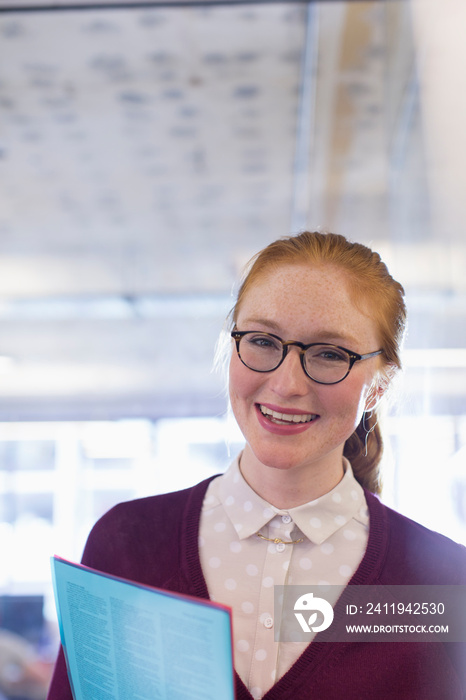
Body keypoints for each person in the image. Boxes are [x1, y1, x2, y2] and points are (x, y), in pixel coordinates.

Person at [47, 231, 466, 700]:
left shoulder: (442, 580)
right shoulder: (129, 543)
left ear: (380, 384)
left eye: (330, 354)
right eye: (264, 341)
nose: (286, 384)